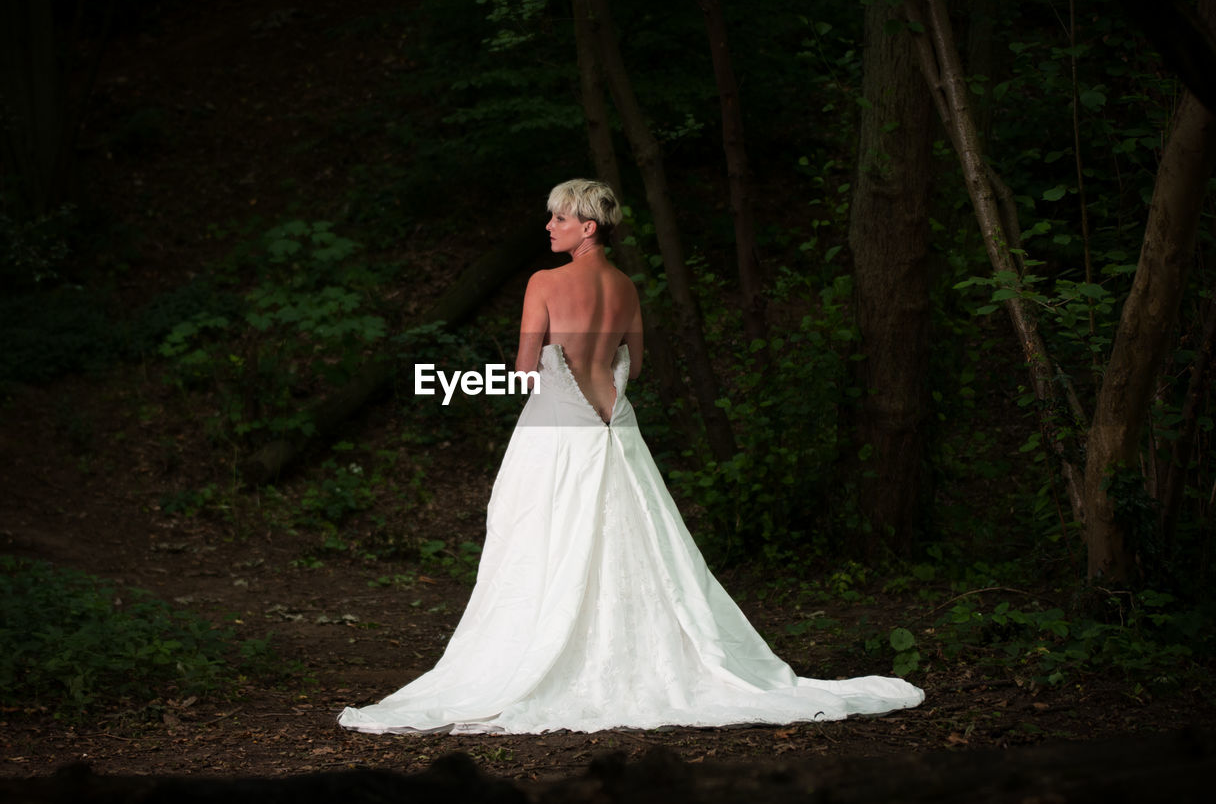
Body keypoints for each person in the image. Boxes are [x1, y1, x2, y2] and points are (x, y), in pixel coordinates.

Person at [337, 179, 924, 734]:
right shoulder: (626, 287)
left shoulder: (544, 282)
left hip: (558, 432)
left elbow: (521, 371)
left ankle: (541, 651)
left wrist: (458, 383)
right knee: (634, 543)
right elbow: (634, 367)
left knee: (540, 538)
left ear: (588, 227)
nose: (549, 226)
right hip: (614, 427)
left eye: (560, 218)